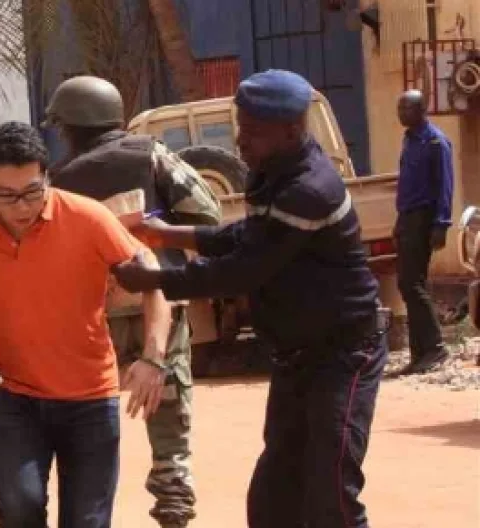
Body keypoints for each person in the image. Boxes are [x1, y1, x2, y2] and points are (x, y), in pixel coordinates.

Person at [115, 70, 386, 528]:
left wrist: (155, 280)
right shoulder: (274, 171)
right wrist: (170, 234)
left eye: (254, 132)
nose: (241, 141)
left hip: (343, 354)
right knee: (273, 496)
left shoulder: (308, 189)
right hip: (297, 355)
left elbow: (244, 269)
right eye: (242, 127)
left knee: (331, 493)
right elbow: (247, 235)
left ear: (292, 131)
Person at [0, 121, 172, 528]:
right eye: (6, 196)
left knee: (87, 522)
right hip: (14, 401)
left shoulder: (88, 219)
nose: (22, 207)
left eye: (33, 191)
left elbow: (153, 281)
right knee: (19, 510)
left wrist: (153, 358)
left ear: (47, 176)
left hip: (90, 400)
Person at [42, 75, 221, 528]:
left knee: (90, 424)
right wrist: (157, 229)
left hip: (93, 317)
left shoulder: (56, 181)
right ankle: (173, 508)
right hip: (157, 306)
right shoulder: (151, 155)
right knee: (169, 425)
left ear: (71, 126)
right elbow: (207, 213)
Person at [394, 89, 454, 375]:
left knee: (412, 283)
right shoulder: (409, 140)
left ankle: (435, 347)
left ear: (421, 110)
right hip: (407, 218)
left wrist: (441, 224)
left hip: (424, 218)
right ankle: (420, 353)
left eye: (406, 108)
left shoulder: (435, 142)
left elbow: (445, 186)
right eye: (399, 108)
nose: (401, 114)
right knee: (407, 284)